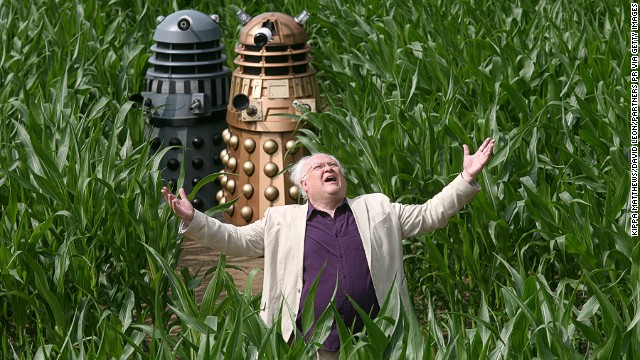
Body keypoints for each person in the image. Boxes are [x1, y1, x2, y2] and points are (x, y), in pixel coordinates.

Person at [161, 137, 496, 359]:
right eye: (318, 167)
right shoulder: (280, 221)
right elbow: (234, 240)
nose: (329, 169)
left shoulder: (378, 208)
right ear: (304, 185)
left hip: (378, 338)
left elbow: (429, 215)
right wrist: (196, 219)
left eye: (333, 165)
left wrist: (464, 180)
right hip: (315, 345)